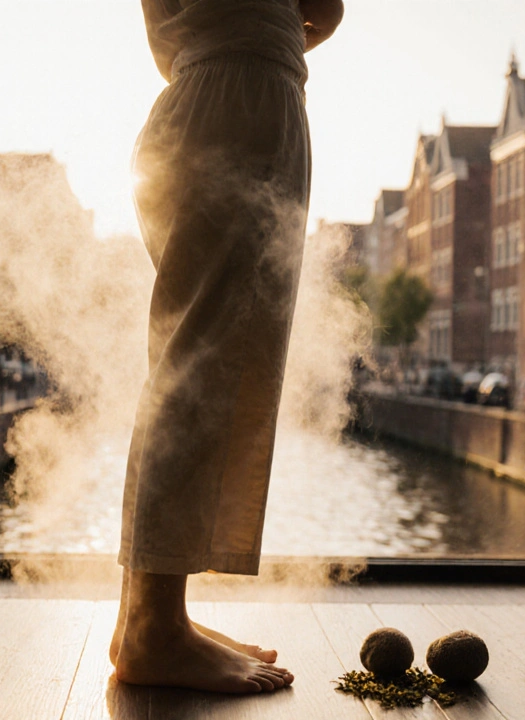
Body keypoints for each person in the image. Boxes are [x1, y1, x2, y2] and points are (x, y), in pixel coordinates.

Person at [111, 0, 343, 694]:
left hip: (187, 99)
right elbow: (325, 9)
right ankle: (155, 628)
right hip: (247, 100)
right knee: (208, 369)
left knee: (184, 368)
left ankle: (145, 617)